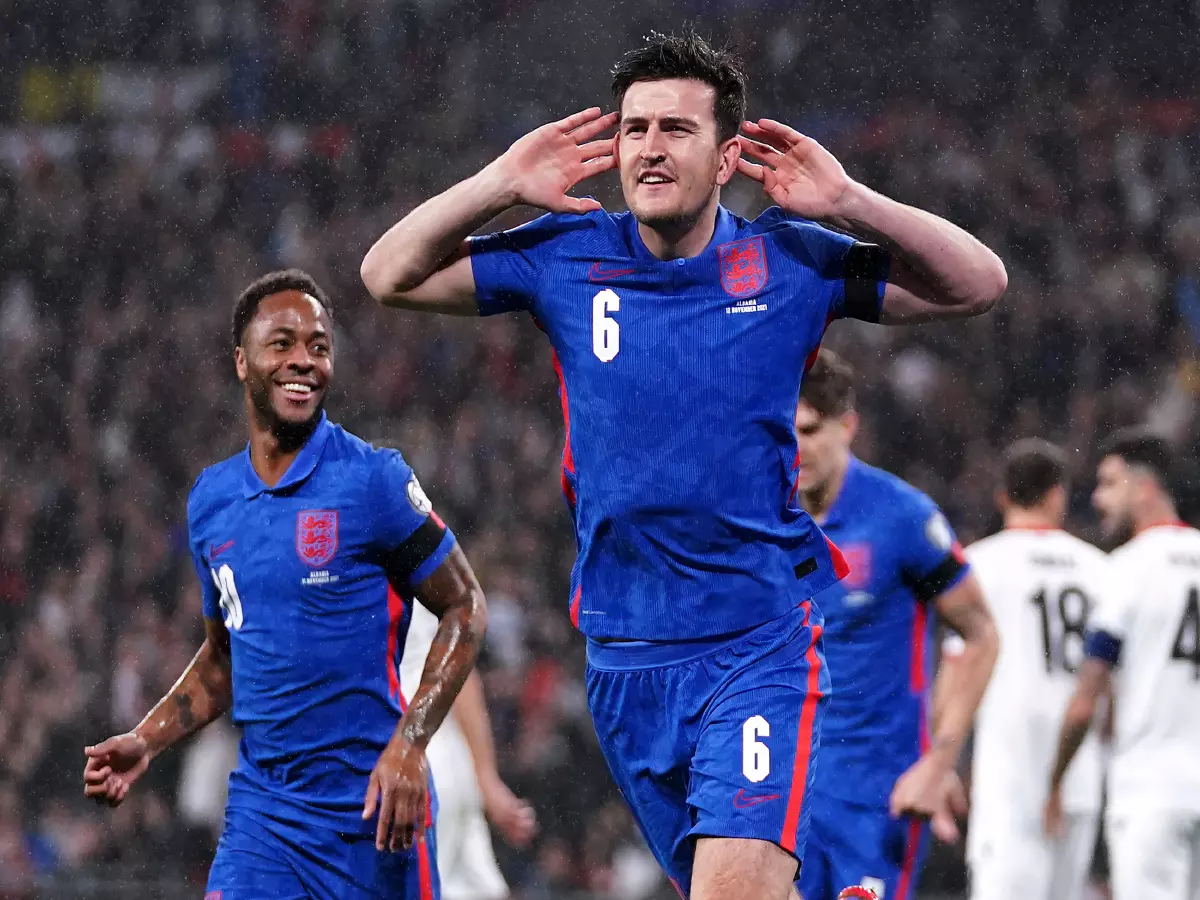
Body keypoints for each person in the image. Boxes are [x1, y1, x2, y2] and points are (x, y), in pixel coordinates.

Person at [360, 30, 1006, 900]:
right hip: (624, 661)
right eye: (633, 129)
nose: (649, 149)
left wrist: (850, 201)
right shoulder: (563, 255)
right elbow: (386, 274)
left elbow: (978, 284)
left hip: (757, 644)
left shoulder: (790, 260)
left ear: (728, 154)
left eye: (675, 129)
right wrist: (498, 185)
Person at [82, 270, 487, 900]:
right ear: (242, 361)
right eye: (283, 343)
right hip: (264, 816)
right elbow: (224, 658)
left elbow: (465, 605)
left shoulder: (374, 481)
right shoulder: (212, 503)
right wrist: (147, 739)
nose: (303, 359)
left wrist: (411, 743)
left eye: (319, 346)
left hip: (375, 812)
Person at [791, 351, 998, 900]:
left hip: (878, 796)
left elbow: (980, 635)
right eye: (786, 433)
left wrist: (940, 761)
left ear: (848, 425)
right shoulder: (765, 520)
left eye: (810, 431)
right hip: (782, 791)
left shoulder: (900, 516)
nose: (797, 448)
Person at [1046, 429, 1200, 900]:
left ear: (1144, 488)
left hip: (1150, 790)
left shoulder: (1128, 568)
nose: (1098, 499)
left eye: (1109, 484)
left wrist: (1054, 780)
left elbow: (1085, 699)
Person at [957, 439, 1108, 900]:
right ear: (1058, 494)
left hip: (1010, 772)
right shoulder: (1101, 568)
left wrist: (943, 756)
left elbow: (958, 670)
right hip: (1080, 772)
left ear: (1002, 494)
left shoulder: (975, 566)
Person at [400, 601, 537, 900]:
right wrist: (485, 777)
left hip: (409, 767)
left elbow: (461, 674)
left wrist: (486, 779)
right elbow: (461, 673)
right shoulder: (425, 571)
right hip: (448, 763)